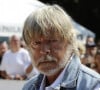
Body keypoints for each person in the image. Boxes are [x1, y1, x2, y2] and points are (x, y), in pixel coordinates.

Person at [22, 4, 100, 90]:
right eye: (36, 43)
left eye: (52, 40)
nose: (44, 50)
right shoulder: (29, 87)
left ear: (70, 42)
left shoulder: (93, 85)